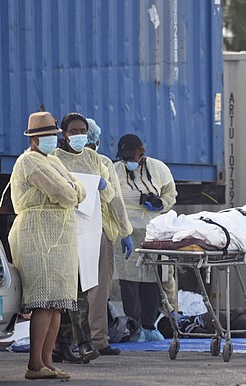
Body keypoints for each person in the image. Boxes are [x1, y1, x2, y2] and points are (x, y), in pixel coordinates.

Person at [8, 111, 85, 380]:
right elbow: (64, 192)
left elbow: (79, 190)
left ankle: (47, 361)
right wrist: (71, 191)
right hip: (36, 235)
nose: (52, 139)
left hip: (59, 236)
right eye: (47, 136)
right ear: (34, 139)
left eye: (53, 135)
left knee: (56, 304)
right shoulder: (29, 161)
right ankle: (34, 364)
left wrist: (72, 191)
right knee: (42, 301)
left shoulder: (53, 160)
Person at [49, 113, 117, 363]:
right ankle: (73, 343)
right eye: (73, 131)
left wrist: (102, 185)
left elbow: (110, 194)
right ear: (63, 133)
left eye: (83, 131)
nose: (79, 136)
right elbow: (57, 187)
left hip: (90, 229)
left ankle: (72, 344)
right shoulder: (54, 158)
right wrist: (84, 184)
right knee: (66, 288)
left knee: (82, 287)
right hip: (64, 227)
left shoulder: (94, 158)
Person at [114, 134, 177, 341]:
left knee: (152, 278)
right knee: (128, 280)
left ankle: (149, 326)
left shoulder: (158, 168)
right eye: (124, 158)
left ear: (141, 152)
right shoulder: (115, 170)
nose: (128, 162)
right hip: (126, 230)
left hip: (152, 229)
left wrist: (160, 204)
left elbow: (170, 193)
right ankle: (133, 325)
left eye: (131, 157)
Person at [84, 118, 134, 355]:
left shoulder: (59, 159)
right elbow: (115, 201)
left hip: (68, 230)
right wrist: (125, 232)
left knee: (74, 288)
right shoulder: (102, 161)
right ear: (97, 139)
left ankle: (75, 338)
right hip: (98, 229)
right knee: (99, 286)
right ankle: (97, 339)